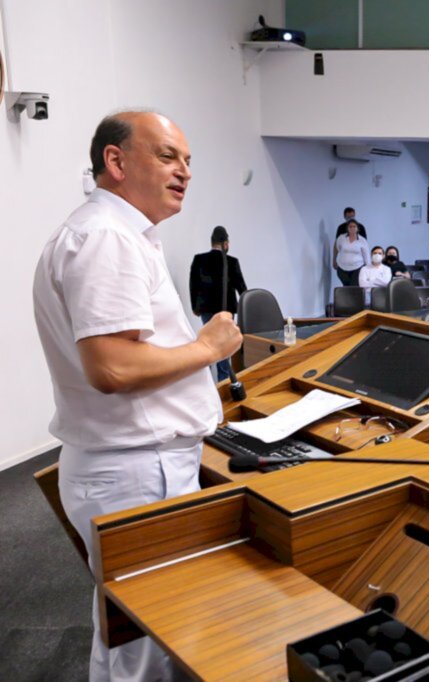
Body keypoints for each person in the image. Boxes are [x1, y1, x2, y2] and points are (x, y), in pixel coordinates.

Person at [33, 111, 243, 681]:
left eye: (188, 161)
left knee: (127, 638)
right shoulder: (107, 238)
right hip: (136, 471)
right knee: (153, 645)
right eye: (167, 156)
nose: (185, 172)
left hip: (129, 465)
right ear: (116, 161)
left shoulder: (113, 233)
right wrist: (207, 347)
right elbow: (113, 366)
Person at [189, 225, 247, 382]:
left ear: (211, 242)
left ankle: (205, 383)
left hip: (206, 310)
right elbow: (242, 289)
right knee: (223, 347)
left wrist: (195, 308)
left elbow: (193, 286)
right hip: (226, 311)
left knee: (208, 344)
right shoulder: (232, 262)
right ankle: (224, 384)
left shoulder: (199, 260)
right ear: (226, 244)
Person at [335, 219, 369, 285]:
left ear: (357, 228)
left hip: (357, 268)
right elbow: (338, 248)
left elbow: (366, 255)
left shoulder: (362, 240)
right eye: (350, 226)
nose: (352, 228)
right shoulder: (341, 238)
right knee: (346, 288)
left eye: (354, 226)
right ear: (347, 228)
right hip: (342, 268)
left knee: (354, 287)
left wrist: (368, 269)